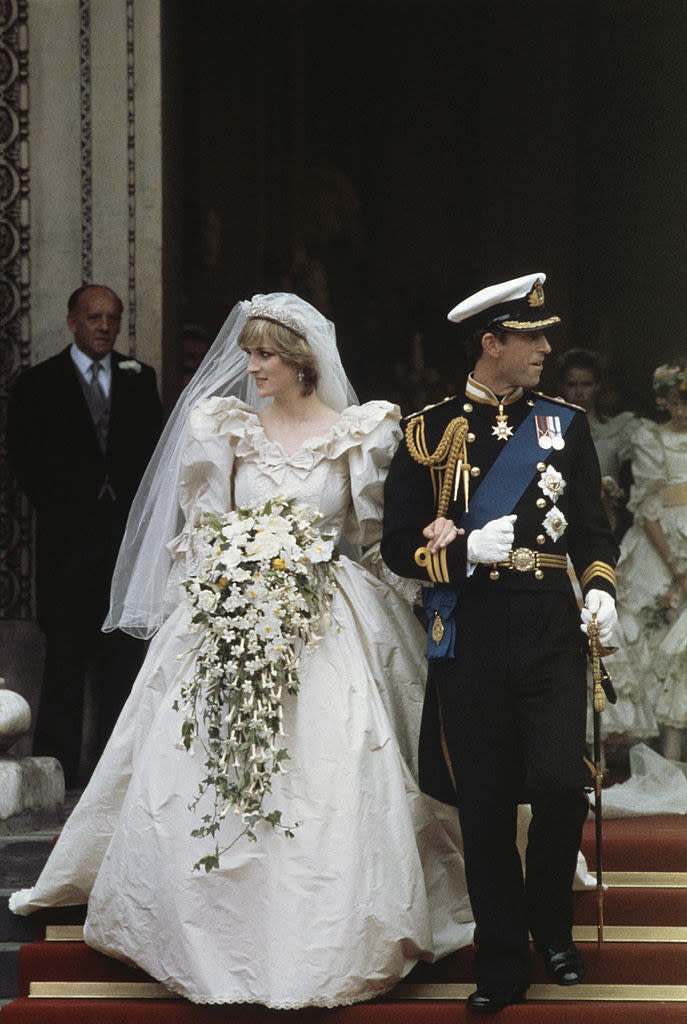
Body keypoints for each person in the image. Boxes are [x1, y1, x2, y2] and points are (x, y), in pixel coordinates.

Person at [10, 292, 474, 1008]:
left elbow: (375, 538)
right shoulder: (222, 428)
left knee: (338, 763)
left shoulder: (358, 432)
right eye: (250, 352)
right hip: (230, 609)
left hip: (330, 615)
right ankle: (210, 934)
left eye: (262, 355)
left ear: (301, 363)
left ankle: (323, 933)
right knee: (205, 764)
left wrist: (421, 599)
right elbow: (202, 530)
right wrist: (225, 598)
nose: (246, 366)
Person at [381, 273, 619, 1013]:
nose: (545, 348)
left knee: (557, 784)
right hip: (473, 633)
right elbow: (393, 544)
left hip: (549, 625)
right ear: (490, 345)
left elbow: (589, 526)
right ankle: (501, 957)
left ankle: (552, 922)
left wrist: (602, 587)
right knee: (482, 805)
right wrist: (457, 557)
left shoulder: (562, 426)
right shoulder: (426, 432)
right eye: (530, 337)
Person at [7, 284, 162, 786]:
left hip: (125, 543)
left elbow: (156, 457)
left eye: (112, 318)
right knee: (65, 662)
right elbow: (24, 461)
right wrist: (70, 507)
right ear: (73, 321)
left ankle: (115, 778)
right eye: (94, 317)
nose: (103, 326)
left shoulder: (141, 380)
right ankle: (59, 775)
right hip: (66, 543)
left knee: (123, 658)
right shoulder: (37, 384)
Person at [603, 361, 687, 761]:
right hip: (662, 541)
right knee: (654, 633)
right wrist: (677, 566)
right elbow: (648, 509)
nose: (681, 409)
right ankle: (653, 748)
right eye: (674, 401)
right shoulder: (650, 437)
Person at [558, 347, 636, 539]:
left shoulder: (618, 430)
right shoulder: (551, 432)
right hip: (561, 521)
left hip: (606, 523)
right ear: (561, 386)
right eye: (572, 384)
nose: (579, 392)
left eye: (586, 384)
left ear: (598, 386)